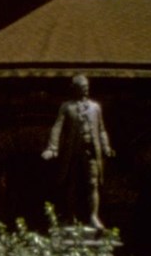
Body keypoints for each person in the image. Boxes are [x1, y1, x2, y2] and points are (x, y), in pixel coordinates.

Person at [42, 75, 114, 229]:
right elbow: (57, 127)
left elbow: (101, 130)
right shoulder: (67, 107)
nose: (86, 89)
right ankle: (70, 216)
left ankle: (94, 216)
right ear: (74, 88)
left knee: (92, 183)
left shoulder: (95, 107)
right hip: (73, 151)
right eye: (82, 87)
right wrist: (52, 148)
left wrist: (106, 146)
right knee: (72, 183)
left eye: (87, 86)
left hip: (91, 151)